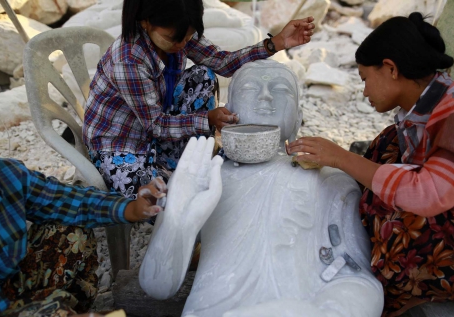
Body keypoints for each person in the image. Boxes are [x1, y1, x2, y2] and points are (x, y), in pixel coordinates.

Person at [103, 60, 397, 317]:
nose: (265, 96)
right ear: (227, 111)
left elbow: (356, 277)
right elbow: (157, 286)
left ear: (299, 117)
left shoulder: (329, 180)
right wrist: (177, 224)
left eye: (281, 89)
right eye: (250, 88)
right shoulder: (202, 178)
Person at [287, 12, 454, 317]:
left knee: (399, 235)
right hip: (450, 214)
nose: (365, 92)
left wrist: (341, 158)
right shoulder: (417, 112)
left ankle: (414, 285)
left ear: (391, 69)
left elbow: (429, 194)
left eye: (365, 79)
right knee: (386, 149)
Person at [0, 68, 167, 317]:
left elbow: (65, 200)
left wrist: (128, 207)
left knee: (69, 231)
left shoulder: (0, 177)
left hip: (2, 293)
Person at [82, 0, 315, 199]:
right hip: (121, 144)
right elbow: (155, 125)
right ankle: (178, 174)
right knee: (168, 201)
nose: (183, 44)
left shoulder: (179, 29)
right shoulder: (129, 60)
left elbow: (221, 62)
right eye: (174, 38)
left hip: (159, 129)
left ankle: (189, 161)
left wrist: (275, 43)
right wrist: (207, 119)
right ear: (145, 22)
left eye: (189, 36)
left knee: (203, 75)